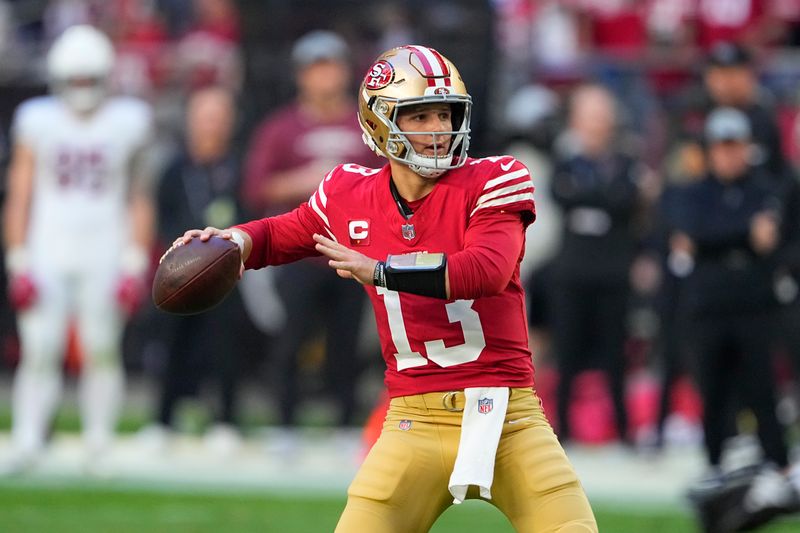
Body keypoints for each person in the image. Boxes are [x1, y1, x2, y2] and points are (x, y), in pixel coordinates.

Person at [167, 45, 597, 532]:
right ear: (379, 123)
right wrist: (232, 240)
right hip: (413, 421)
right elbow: (281, 233)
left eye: (445, 113)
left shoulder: (494, 179)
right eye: (420, 116)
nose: (438, 129)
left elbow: (486, 270)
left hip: (508, 417)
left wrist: (382, 270)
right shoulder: (349, 193)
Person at [1, 25, 154, 473]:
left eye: (90, 80)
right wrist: (17, 259)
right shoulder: (37, 119)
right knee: (40, 348)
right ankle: (29, 440)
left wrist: (133, 260)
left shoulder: (129, 119)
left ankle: (98, 443)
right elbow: (20, 192)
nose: (83, 90)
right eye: (76, 80)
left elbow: (138, 195)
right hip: (48, 246)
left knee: (102, 347)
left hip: (104, 247)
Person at [242, 30, 380, 431]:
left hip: (353, 253)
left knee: (348, 343)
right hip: (299, 253)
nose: (324, 78)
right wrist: (305, 181)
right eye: (316, 69)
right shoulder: (280, 128)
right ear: (302, 75)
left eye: (331, 68)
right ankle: (284, 422)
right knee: (291, 341)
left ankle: (343, 422)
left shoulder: (367, 127)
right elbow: (255, 188)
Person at [678, 108, 795, 528]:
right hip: (710, 308)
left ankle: (777, 466)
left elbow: (771, 238)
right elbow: (696, 234)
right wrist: (745, 235)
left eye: (735, 147)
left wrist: (723, 238)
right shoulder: (694, 192)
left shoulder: (765, 188)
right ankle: (715, 465)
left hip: (754, 306)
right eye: (721, 148)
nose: (729, 156)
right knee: (713, 390)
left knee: (762, 389)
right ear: (710, 152)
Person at [141, 86, 248, 454]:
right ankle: (163, 420)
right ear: (190, 122)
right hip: (180, 272)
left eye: (218, 118)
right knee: (171, 345)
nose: (211, 126)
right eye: (204, 118)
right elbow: (160, 217)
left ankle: (225, 421)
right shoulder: (174, 169)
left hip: (228, 272)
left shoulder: (237, 166)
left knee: (225, 347)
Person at [547, 83, 645, 445]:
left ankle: (622, 429)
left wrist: (593, 200)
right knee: (567, 349)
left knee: (616, 352)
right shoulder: (567, 161)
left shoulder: (624, 160)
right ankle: (563, 430)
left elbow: (625, 202)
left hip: (613, 271)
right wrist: (604, 200)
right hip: (573, 270)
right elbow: (562, 197)